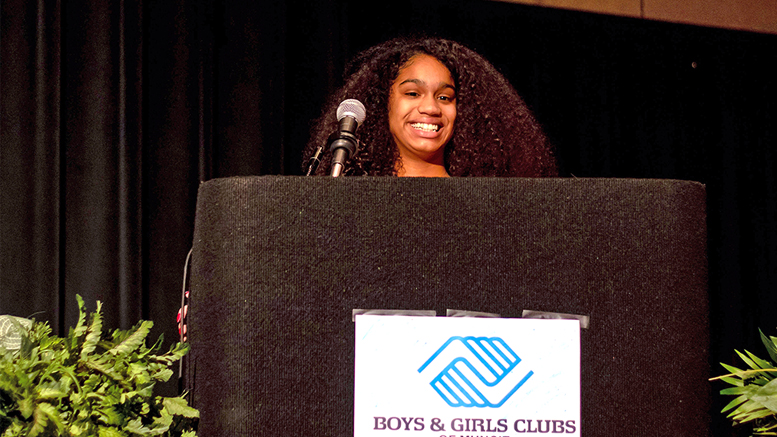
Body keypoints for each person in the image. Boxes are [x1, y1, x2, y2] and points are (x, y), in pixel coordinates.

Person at [303, 37, 557, 177]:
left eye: (445, 97)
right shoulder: (351, 199)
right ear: (384, 103)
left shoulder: (484, 206)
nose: (431, 108)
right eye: (413, 93)